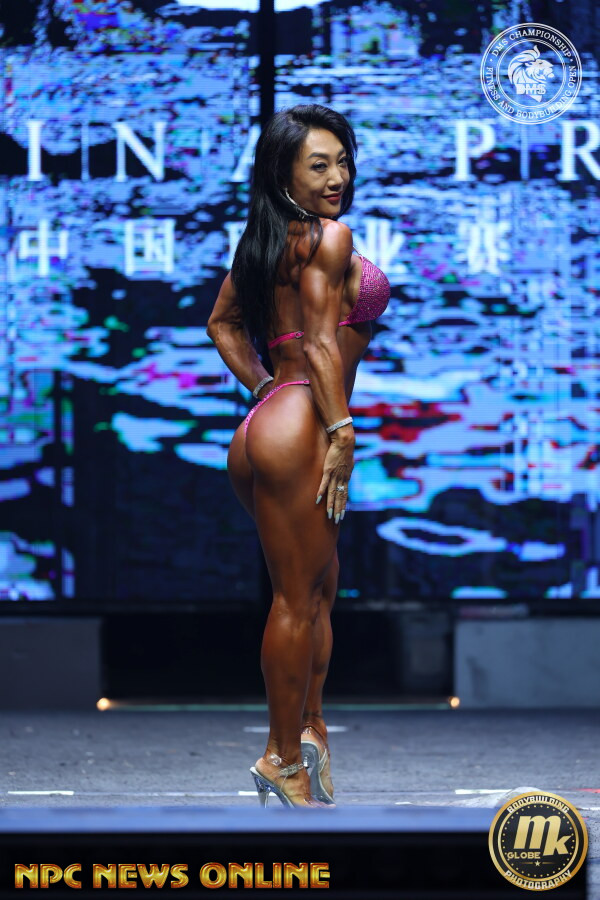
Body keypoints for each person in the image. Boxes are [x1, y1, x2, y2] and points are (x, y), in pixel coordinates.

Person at [207, 104, 390, 808]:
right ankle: (281, 756)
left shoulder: (266, 241)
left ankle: (310, 730)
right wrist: (340, 429)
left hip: (268, 423)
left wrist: (264, 390)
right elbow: (318, 341)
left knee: (317, 590)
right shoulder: (330, 238)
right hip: (306, 422)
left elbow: (222, 324)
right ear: (284, 174)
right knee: (295, 598)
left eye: (342, 162)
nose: (336, 177)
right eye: (319, 165)